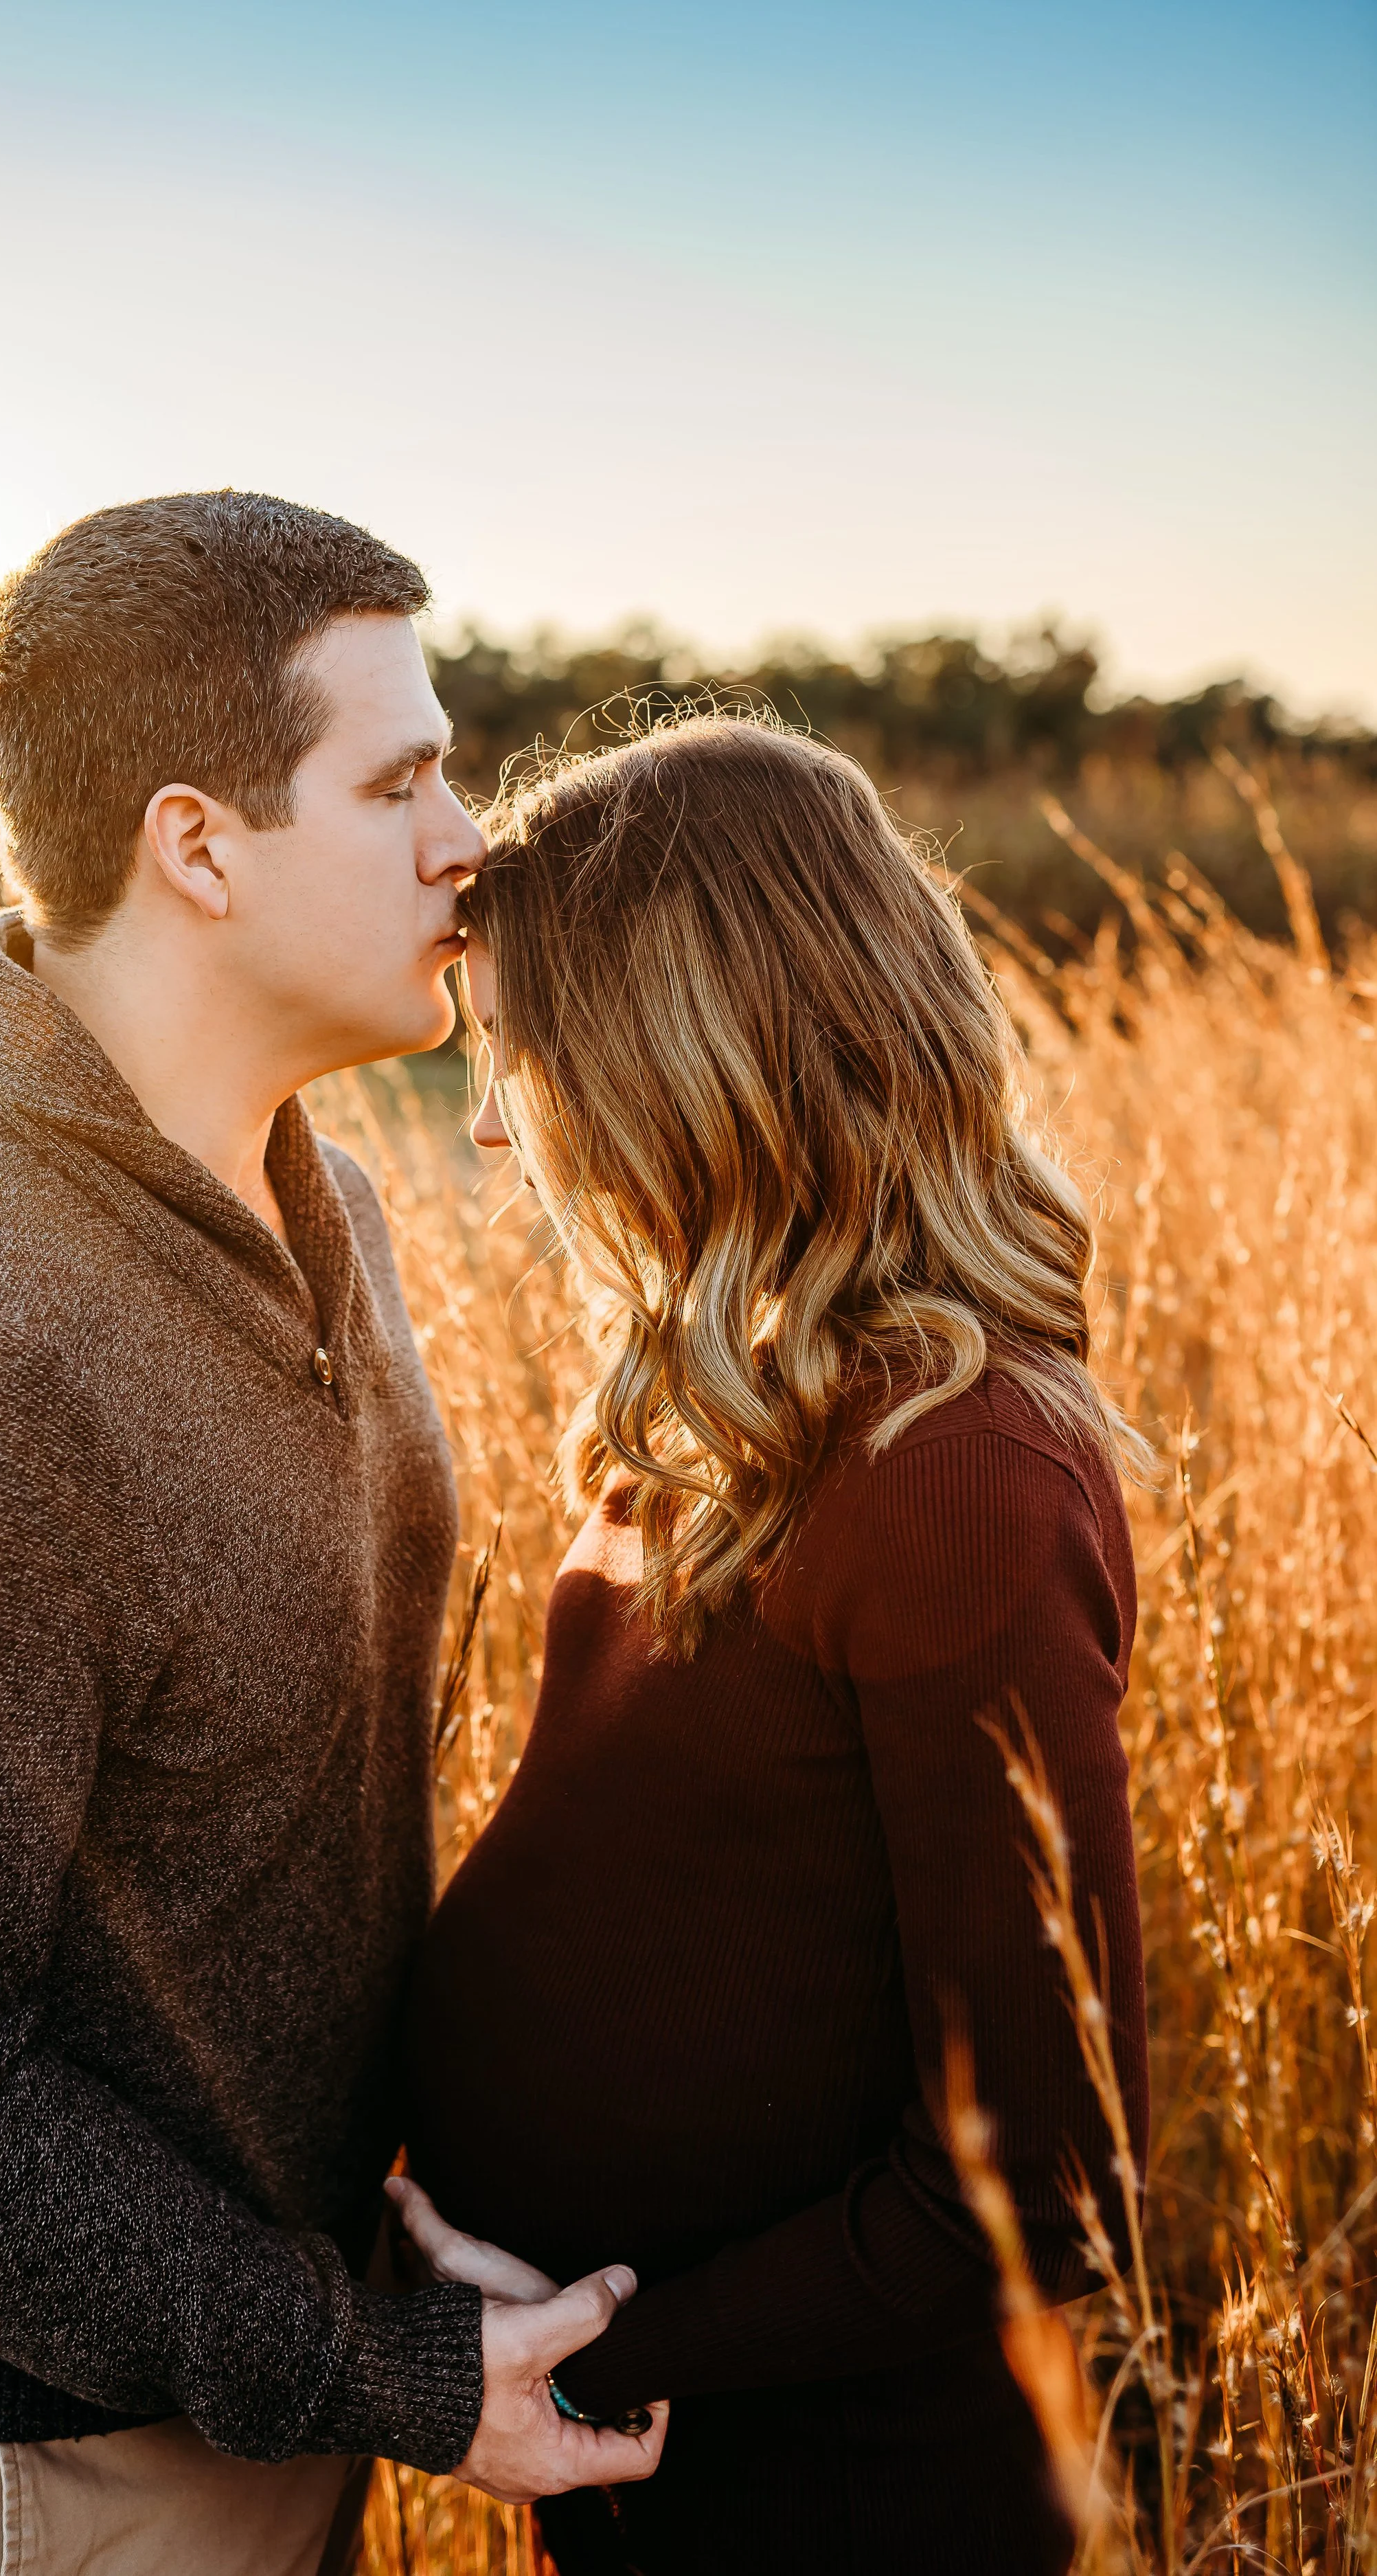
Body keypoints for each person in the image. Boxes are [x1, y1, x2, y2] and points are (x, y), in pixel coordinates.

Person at [0, 490, 664, 2576]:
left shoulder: (317, 1196)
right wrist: (367, 2367)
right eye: (399, 779)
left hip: (250, 2368)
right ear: (196, 844)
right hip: (29, 2466)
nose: (468, 835)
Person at [394, 712, 1150, 2573]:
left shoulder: (951, 1471)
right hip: (678, 2454)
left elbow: (1033, 2178)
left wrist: (590, 2359)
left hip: (830, 2486)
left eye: (520, 1056)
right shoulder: (739, 1408)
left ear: (684, 1051)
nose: (494, 1121)